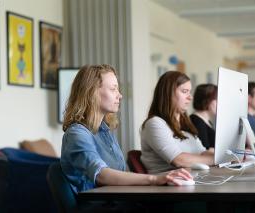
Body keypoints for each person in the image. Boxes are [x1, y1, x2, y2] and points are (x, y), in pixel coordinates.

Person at [60, 65, 192, 196]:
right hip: (97, 206)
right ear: (91, 93)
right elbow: (101, 175)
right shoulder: (77, 134)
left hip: (115, 201)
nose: (120, 95)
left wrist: (160, 177)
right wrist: (154, 178)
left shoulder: (104, 131)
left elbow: (119, 173)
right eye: (113, 89)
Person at [141, 71, 214, 174]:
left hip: (195, 179)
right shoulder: (155, 123)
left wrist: (228, 154)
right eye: (184, 91)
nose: (190, 97)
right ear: (168, 93)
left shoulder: (186, 124)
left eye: (190, 92)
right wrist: (216, 159)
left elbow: (202, 153)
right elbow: (179, 160)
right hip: (168, 186)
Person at [190, 84, 217, 149]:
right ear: (207, 100)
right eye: (217, 99)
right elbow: (204, 150)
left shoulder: (206, 121)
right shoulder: (197, 122)